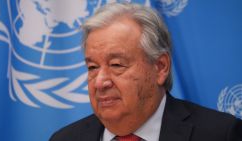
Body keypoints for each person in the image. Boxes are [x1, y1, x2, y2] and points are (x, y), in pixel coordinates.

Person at [50, 3, 242, 141]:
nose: (100, 82)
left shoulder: (220, 134)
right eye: (92, 67)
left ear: (160, 67)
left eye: (117, 65)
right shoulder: (64, 138)